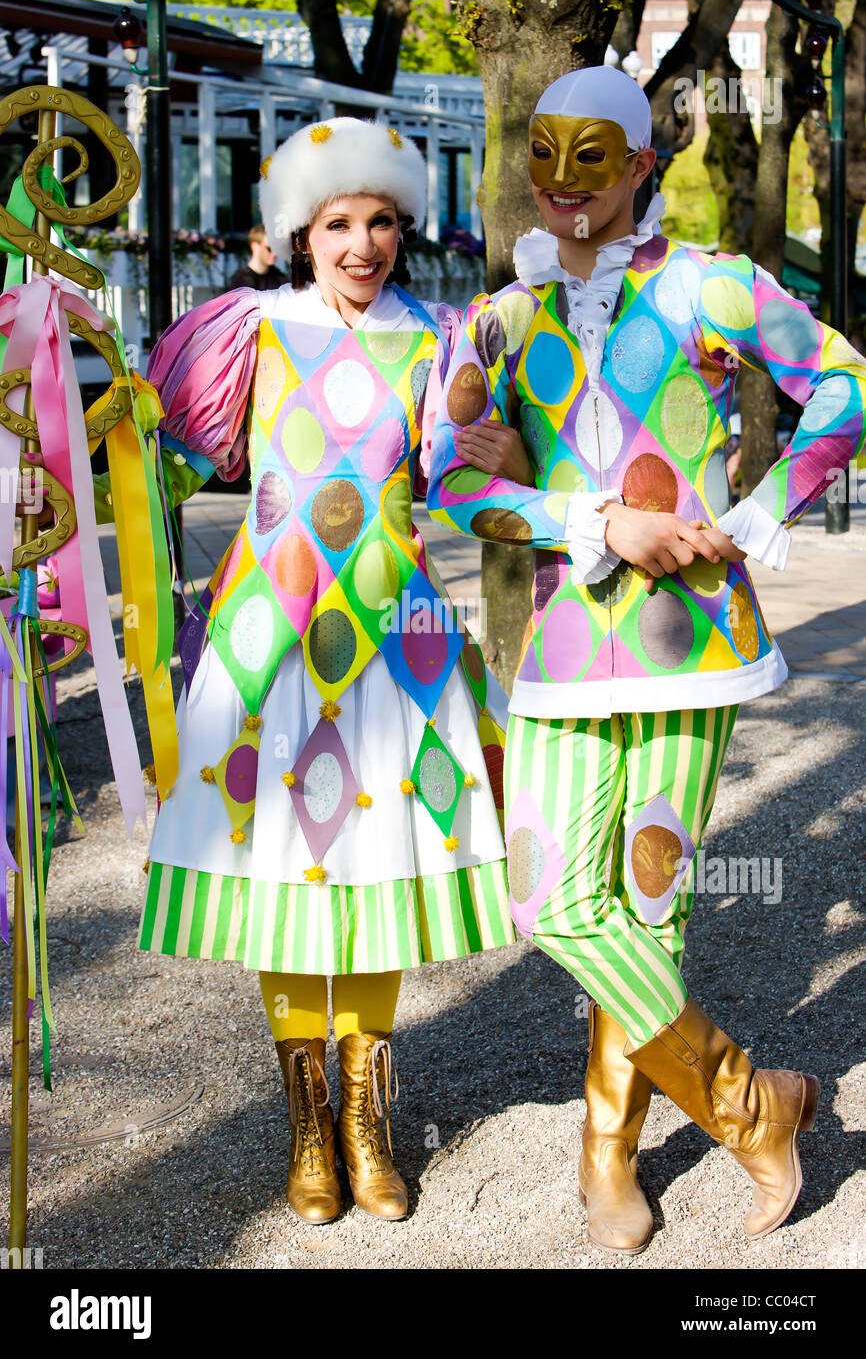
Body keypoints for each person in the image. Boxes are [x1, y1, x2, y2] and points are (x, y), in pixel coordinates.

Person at [428, 65, 866, 1255]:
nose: (564, 184)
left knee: (648, 905)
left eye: (594, 156)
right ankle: (747, 1100)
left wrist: (770, 507)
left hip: (693, 644)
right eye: (546, 155)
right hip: (568, 647)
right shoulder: (496, 321)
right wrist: (594, 522)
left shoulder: (709, 282)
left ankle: (604, 1154)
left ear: (638, 165)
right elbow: (453, 482)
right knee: (552, 902)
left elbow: (843, 379)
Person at [124, 117, 522, 1225]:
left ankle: (365, 1116)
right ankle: (307, 1124)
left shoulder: (440, 343)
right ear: (301, 233)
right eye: (338, 223)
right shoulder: (247, 334)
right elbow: (173, 425)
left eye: (380, 222)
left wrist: (495, 457)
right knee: (281, 875)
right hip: (268, 636)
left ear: (402, 230)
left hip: (397, 638)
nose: (361, 244)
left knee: (378, 863)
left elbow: (457, 479)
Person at [225, 222, 289, 292]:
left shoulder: (280, 279)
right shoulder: (240, 281)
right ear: (255, 246)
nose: (274, 253)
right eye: (269, 248)